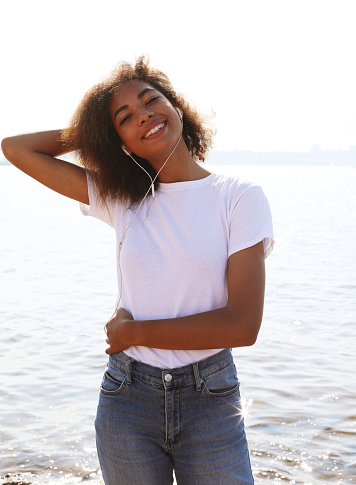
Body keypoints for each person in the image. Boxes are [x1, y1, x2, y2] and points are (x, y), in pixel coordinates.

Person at [2, 56, 274, 485]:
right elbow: (15, 149)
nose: (143, 113)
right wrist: (95, 133)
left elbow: (242, 326)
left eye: (151, 101)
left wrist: (135, 333)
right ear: (120, 142)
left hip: (211, 397)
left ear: (178, 108)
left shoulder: (238, 198)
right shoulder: (122, 199)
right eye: (125, 117)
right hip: (127, 397)